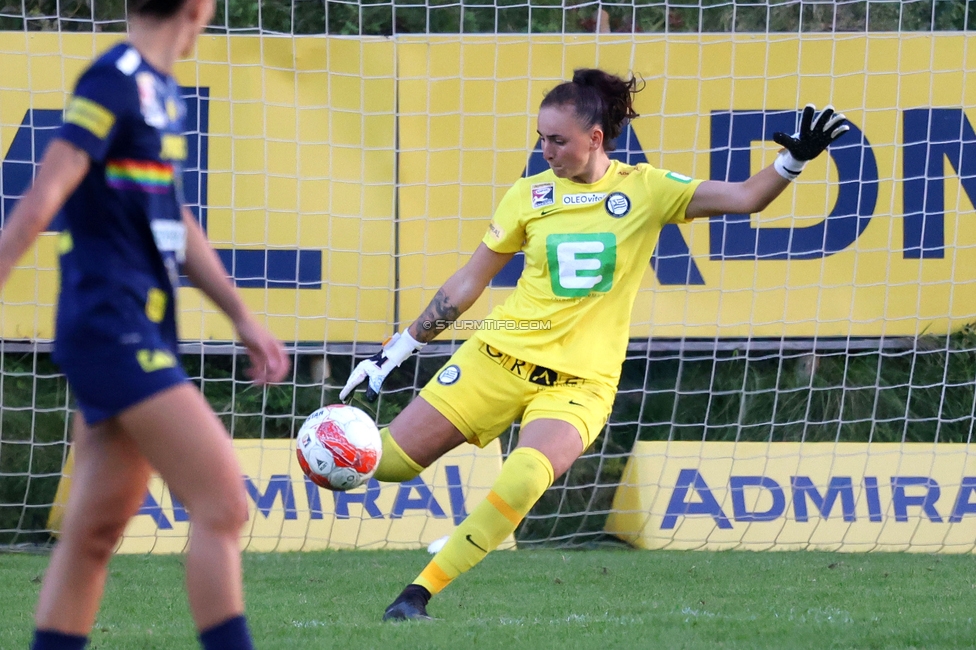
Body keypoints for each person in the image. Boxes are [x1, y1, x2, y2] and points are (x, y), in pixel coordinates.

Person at [340, 68, 849, 621]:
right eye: (540, 137)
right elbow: (467, 283)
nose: (545, 149)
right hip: (494, 359)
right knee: (383, 463)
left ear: (595, 139)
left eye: (557, 139)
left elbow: (748, 198)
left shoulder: (646, 189)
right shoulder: (527, 196)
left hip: (581, 385)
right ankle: (307, 450)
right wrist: (394, 354)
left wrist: (792, 161)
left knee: (525, 476)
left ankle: (416, 595)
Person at [0, 0, 291, 646]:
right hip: (112, 328)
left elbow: (174, 219)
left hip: (133, 326)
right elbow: (45, 193)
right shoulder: (114, 79)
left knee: (93, 533)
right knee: (222, 503)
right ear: (198, 7)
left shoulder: (156, 89)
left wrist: (241, 315)